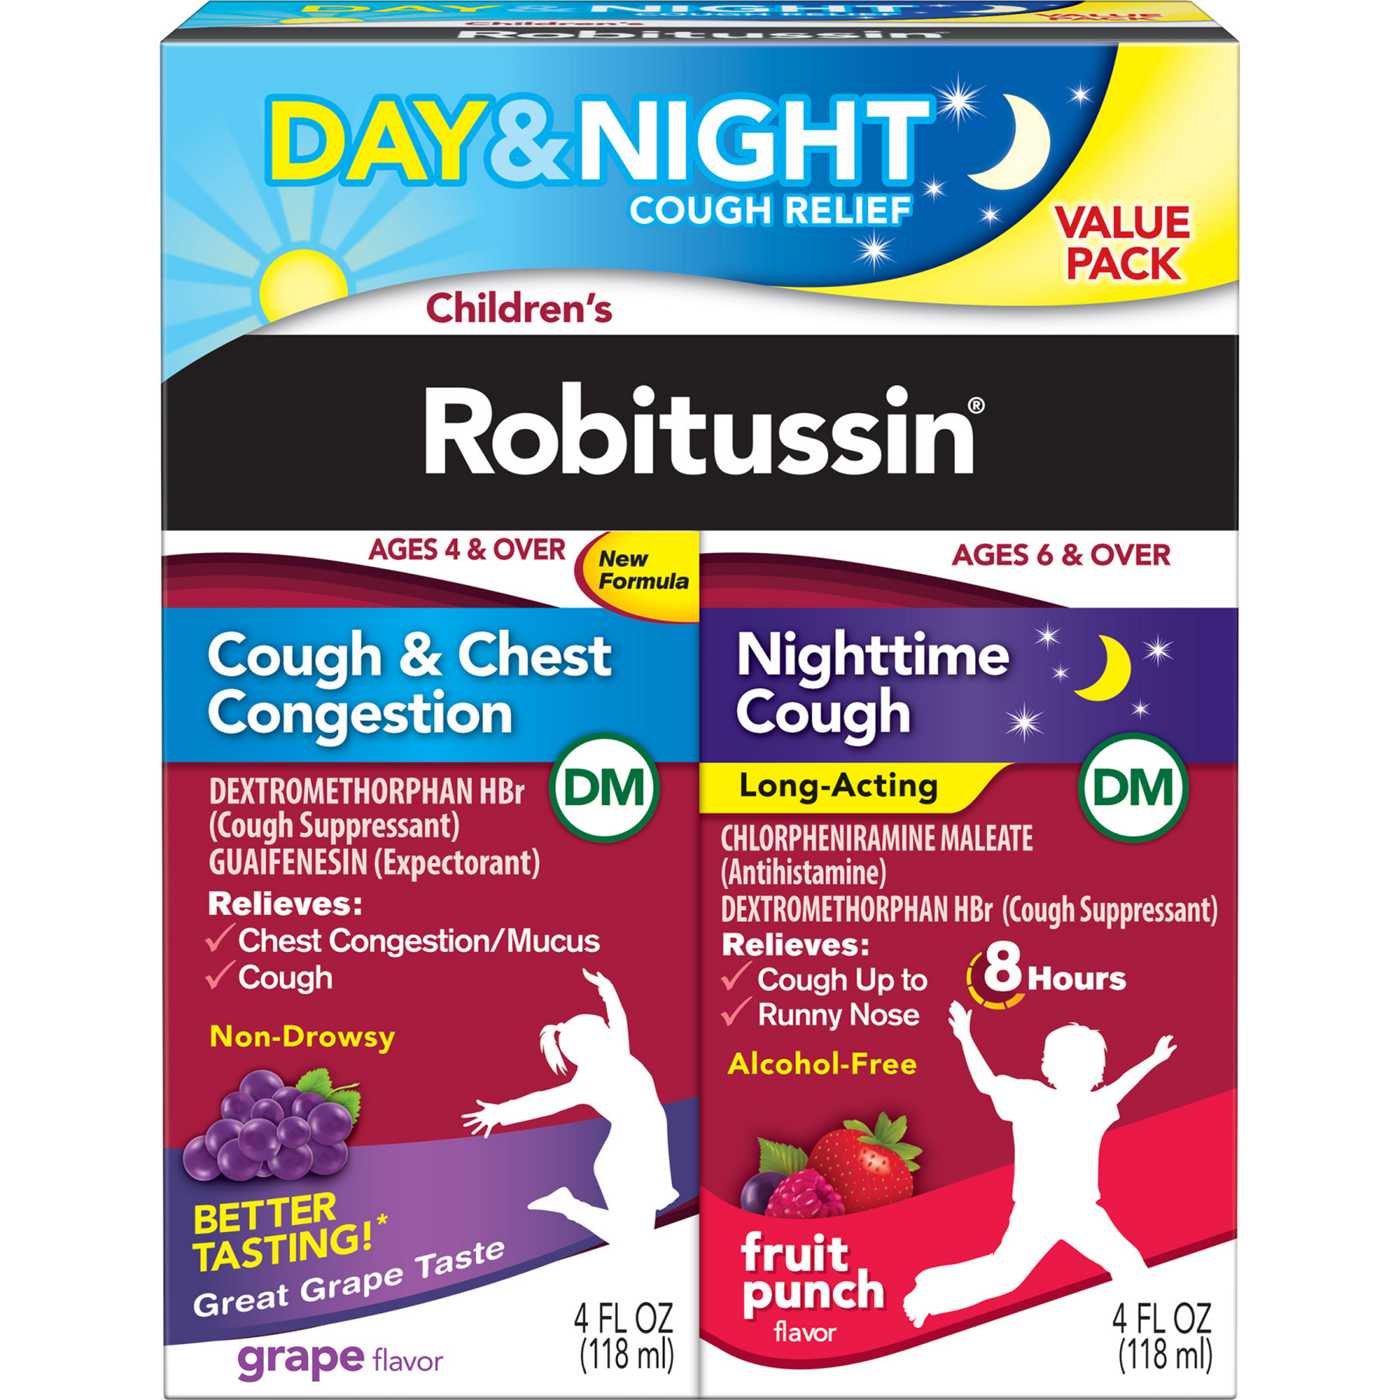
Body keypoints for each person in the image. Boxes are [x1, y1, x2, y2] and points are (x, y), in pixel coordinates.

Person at [903, 1000, 1176, 1327]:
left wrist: (1154, 1060)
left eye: (1086, 1066)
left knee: (1127, 1262)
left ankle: (1147, 1323)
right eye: (1070, 1065)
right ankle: (928, 1293)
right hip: (1037, 1211)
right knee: (1005, 1276)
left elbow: (1122, 1087)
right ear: (1049, 1067)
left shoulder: (1095, 1105)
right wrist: (965, 1037)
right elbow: (986, 1082)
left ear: (1096, 1073)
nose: (1079, 1073)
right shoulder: (1030, 1097)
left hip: (1081, 1211)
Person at [463, 969, 676, 1246]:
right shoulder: (590, 1080)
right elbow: (543, 1102)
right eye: (602, 1028)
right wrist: (500, 1113)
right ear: (591, 1045)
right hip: (624, 1157)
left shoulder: (618, 1053)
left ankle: (567, 1204)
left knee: (636, 1236)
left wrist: (607, 989)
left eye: (605, 1026)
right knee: (633, 1237)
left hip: (642, 1147)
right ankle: (568, 1205)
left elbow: (618, 1018)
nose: (609, 1029)